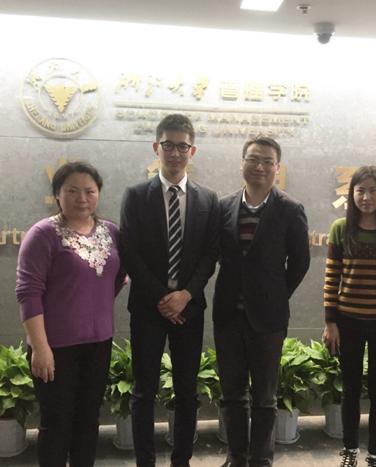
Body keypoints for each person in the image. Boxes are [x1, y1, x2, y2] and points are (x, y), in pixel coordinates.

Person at [119, 114, 219, 467]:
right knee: (143, 391)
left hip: (189, 309)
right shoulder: (136, 196)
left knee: (187, 390)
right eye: (168, 145)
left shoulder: (208, 199)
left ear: (192, 150)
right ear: (156, 147)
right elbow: (129, 252)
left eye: (182, 146)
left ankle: (182, 461)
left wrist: (185, 295)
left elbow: (210, 254)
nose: (175, 153)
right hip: (148, 308)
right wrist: (163, 298)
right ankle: (145, 461)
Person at [15, 161, 125, 467]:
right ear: (57, 194)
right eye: (72, 191)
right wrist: (40, 348)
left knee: (88, 420)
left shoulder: (111, 232)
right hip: (55, 346)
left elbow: (116, 279)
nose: (82, 198)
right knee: (56, 422)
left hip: (98, 343)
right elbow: (28, 292)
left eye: (89, 191)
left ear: (98, 193)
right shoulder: (42, 234)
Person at [213, 136, 310, 467]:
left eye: (268, 161)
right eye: (253, 159)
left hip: (268, 318)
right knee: (231, 394)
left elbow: (300, 262)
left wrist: (275, 294)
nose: (260, 166)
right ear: (242, 163)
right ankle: (236, 457)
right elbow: (216, 254)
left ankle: (261, 459)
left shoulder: (290, 209)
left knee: (265, 397)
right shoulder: (223, 207)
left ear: (277, 168)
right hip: (228, 315)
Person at [322, 166, 376, 467]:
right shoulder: (340, 229)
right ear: (352, 193)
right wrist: (330, 322)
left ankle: (375, 454)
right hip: (348, 322)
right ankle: (350, 450)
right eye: (360, 190)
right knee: (349, 389)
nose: (366, 196)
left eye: (373, 190)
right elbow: (331, 279)